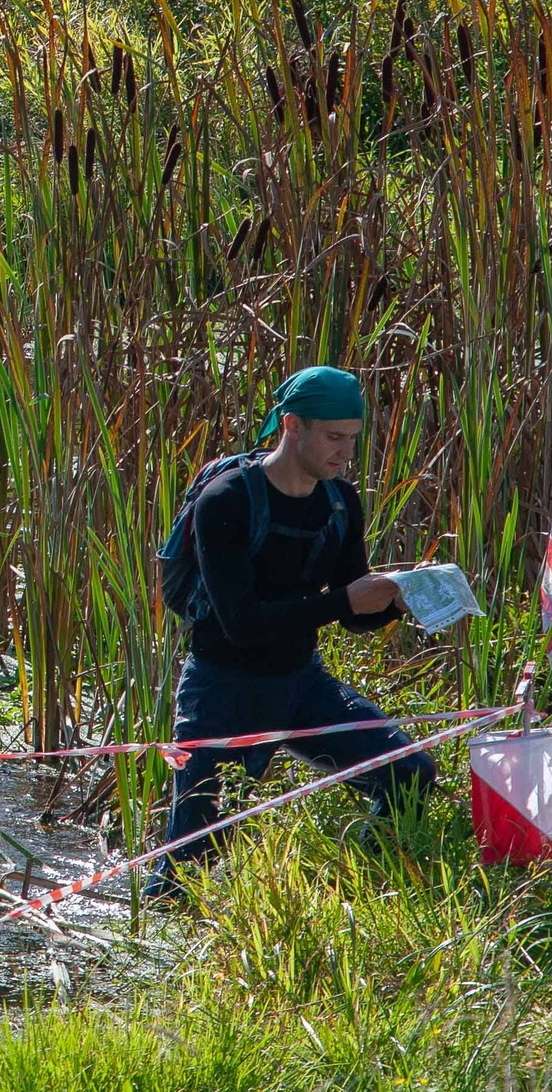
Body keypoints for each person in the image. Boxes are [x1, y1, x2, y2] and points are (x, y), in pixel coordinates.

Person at [152, 365, 430, 891]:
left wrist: (400, 599)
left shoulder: (341, 502)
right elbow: (243, 626)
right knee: (191, 862)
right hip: (220, 692)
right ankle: (155, 945)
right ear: (292, 425)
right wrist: (344, 598)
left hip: (304, 686)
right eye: (333, 437)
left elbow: (351, 618)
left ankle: (354, 893)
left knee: (408, 773)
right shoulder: (226, 501)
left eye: (352, 438)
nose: (345, 453)